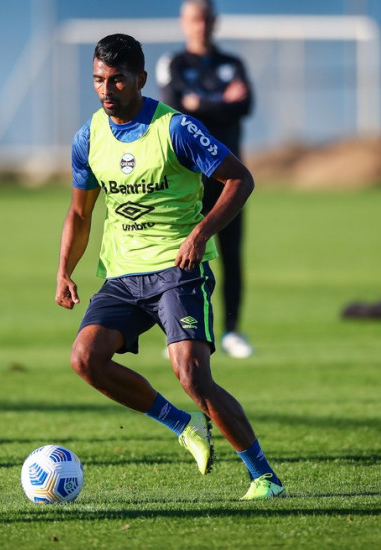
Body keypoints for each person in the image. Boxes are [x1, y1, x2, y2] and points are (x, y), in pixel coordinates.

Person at [55, 33, 284, 499]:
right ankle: (182, 425)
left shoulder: (176, 127)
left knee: (193, 376)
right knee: (85, 359)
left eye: (117, 80)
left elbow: (240, 179)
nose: (106, 89)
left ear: (140, 78)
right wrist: (64, 270)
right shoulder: (89, 136)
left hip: (177, 271)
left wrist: (200, 233)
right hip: (122, 276)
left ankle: (264, 477)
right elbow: (80, 213)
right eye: (98, 80)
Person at [156, 0, 255, 359]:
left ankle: (232, 331)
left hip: (229, 176)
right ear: (185, 23)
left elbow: (246, 105)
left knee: (231, 252)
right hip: (188, 177)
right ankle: (180, 335)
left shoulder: (233, 63)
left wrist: (202, 103)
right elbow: (175, 106)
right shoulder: (174, 63)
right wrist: (219, 101)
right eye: (195, 19)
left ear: (216, 22)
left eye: (207, 18)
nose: (202, 25)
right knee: (183, 255)